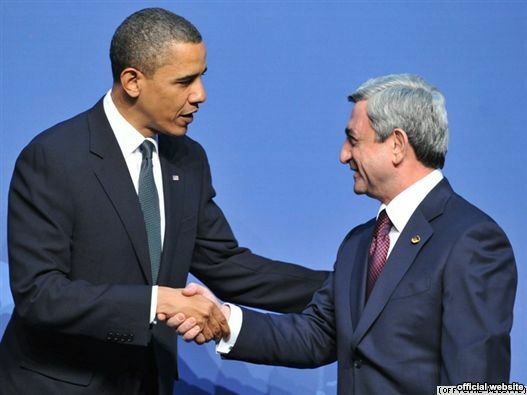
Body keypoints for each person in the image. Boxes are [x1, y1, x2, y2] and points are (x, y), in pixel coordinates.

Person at [0, 8, 328, 395]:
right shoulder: (54, 158)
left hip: (149, 382)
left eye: (202, 77)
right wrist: (157, 302)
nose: (200, 95)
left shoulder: (188, 159)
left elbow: (225, 264)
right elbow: (40, 294)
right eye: (185, 81)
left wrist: (348, 290)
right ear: (133, 81)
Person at [176, 74, 518, 394]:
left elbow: (477, 380)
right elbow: (316, 335)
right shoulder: (358, 244)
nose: (343, 155)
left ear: (397, 145)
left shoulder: (470, 240)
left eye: (353, 140)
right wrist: (224, 321)